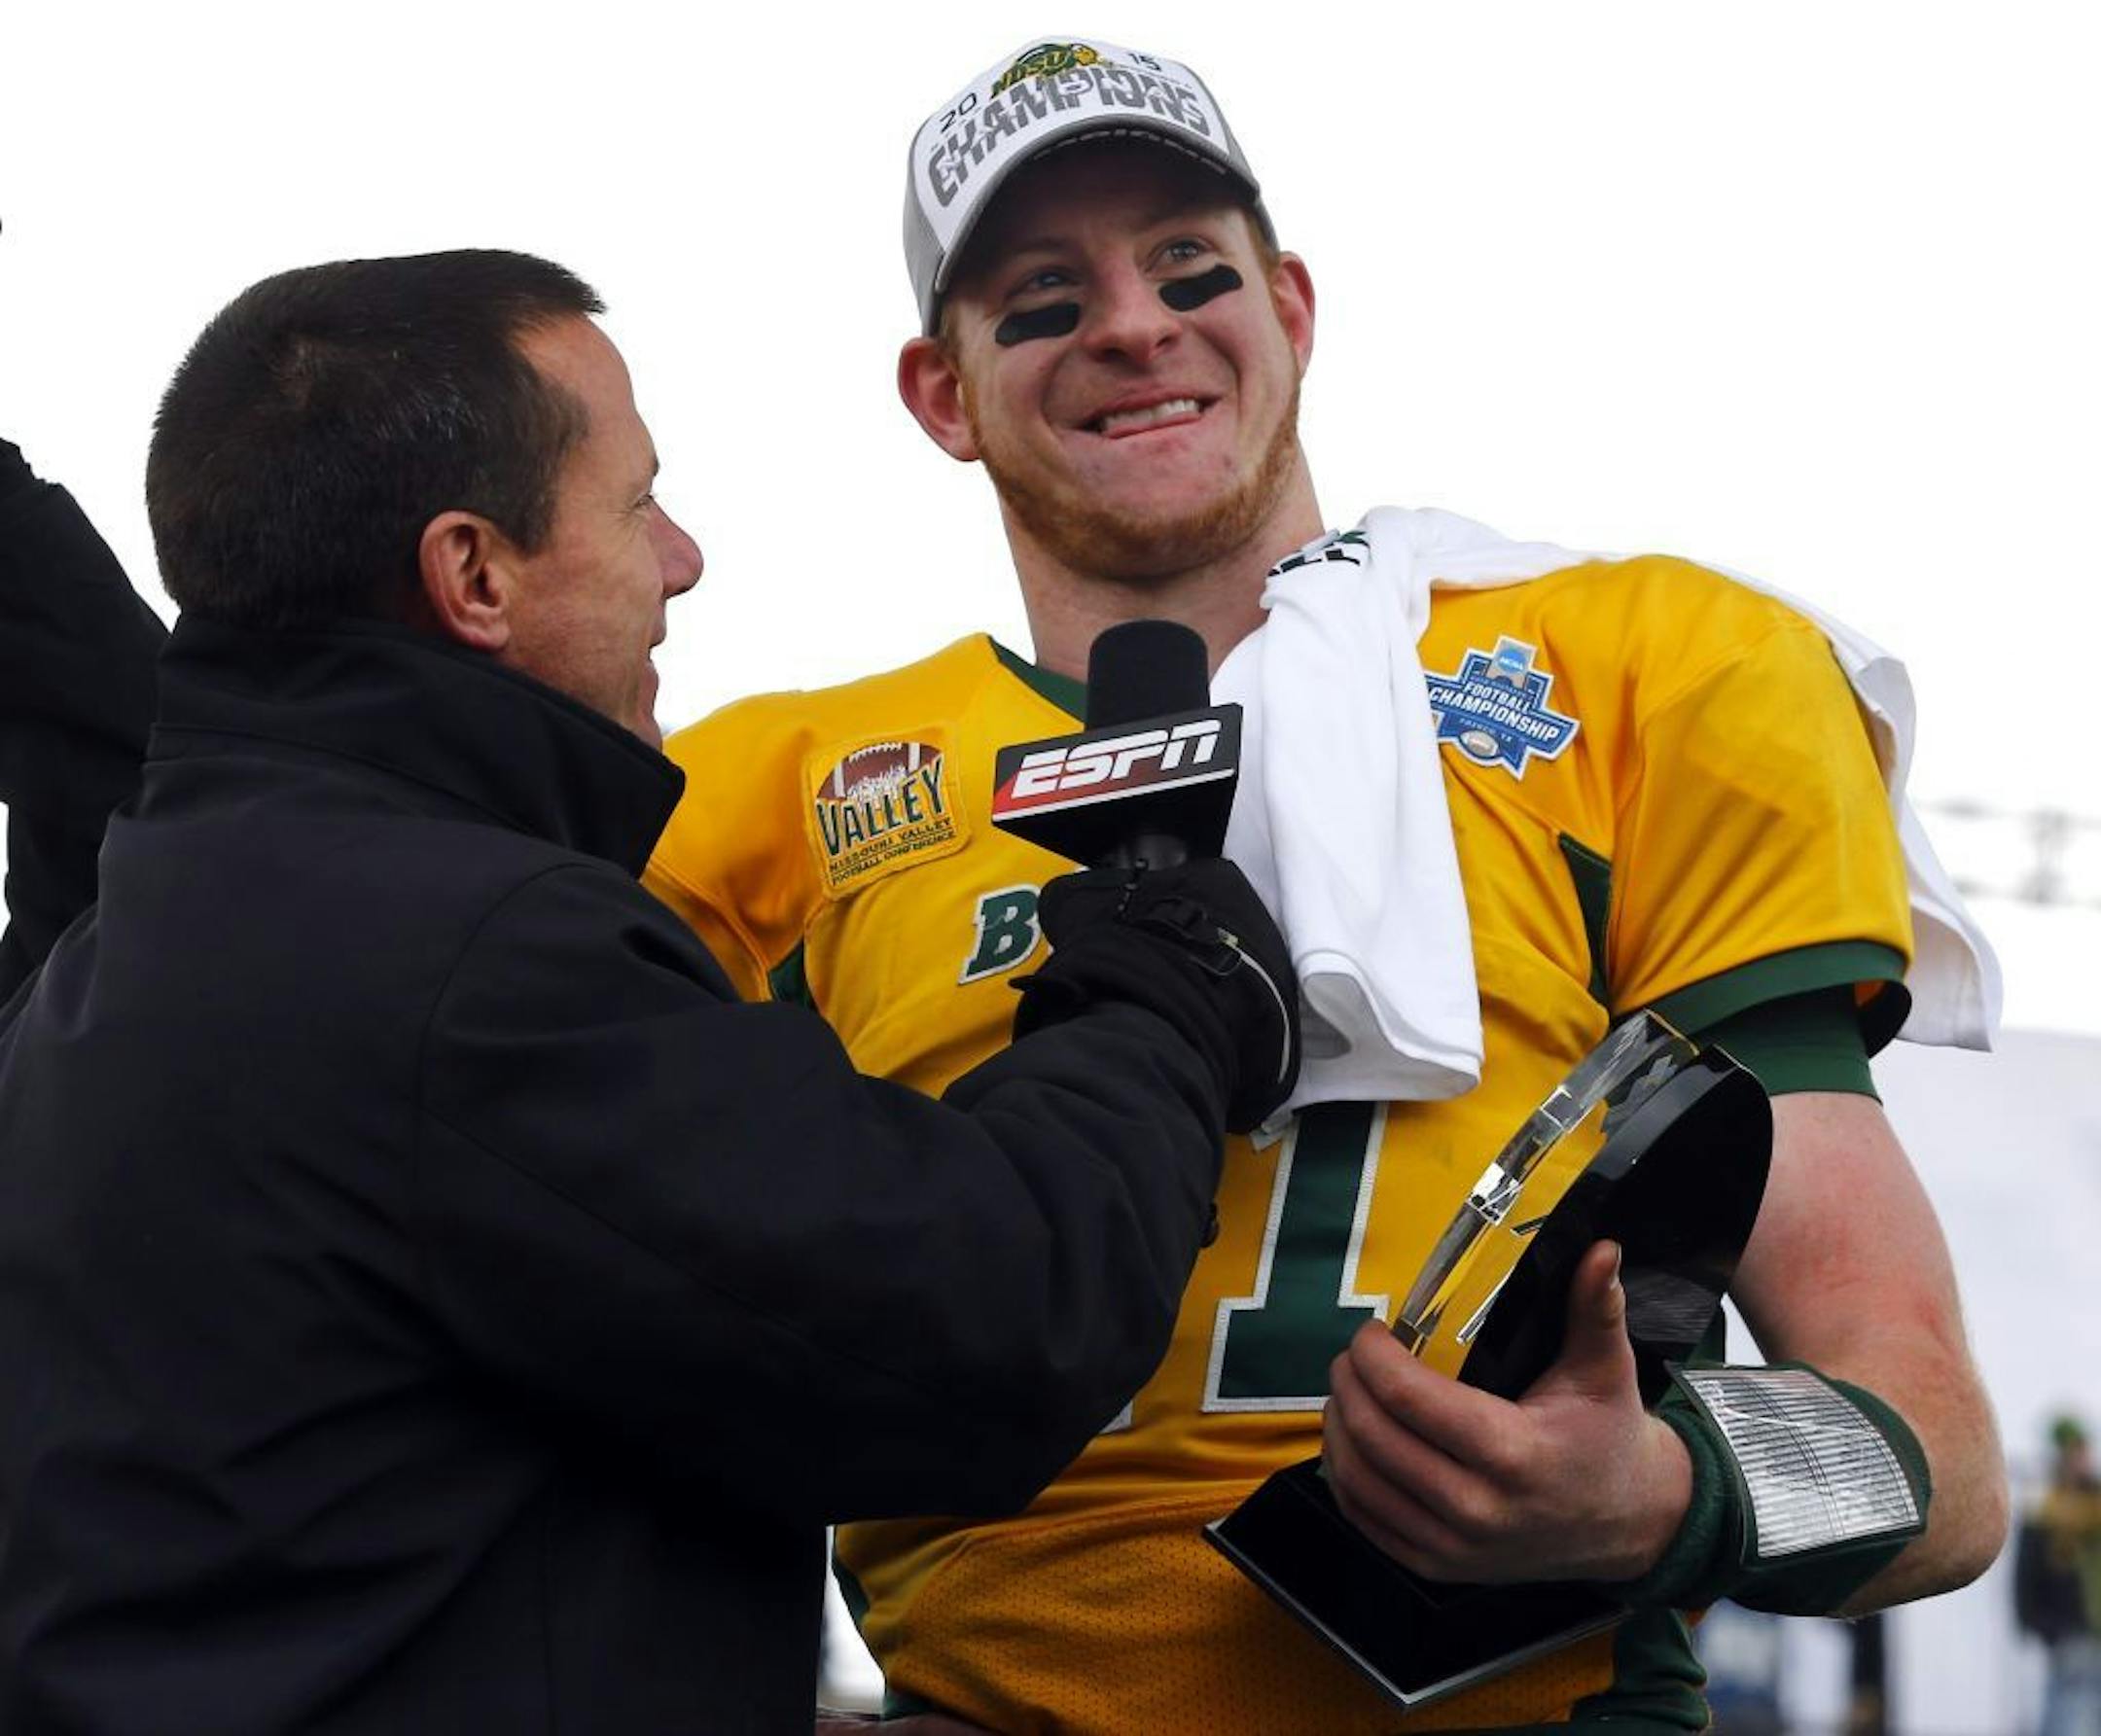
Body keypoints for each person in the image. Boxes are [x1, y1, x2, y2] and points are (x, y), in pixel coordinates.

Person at [640, 36, 2011, 1733]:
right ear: (943, 392)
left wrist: (1661, 1488)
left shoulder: (1642, 669)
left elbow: (1938, 1459)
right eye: (1044, 297)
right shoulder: (771, 792)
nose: (1134, 324)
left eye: (1189, 268)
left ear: (1290, 307)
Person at [0, 251, 1301, 1733]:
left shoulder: (130, 946)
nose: (682, 556)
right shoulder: (465, 963)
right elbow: (978, 1315)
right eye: (635, 504)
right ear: (473, 575)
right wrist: (1157, 995)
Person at [2016, 1417, 2101, 1736]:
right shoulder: (2045, 1510)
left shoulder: (2094, 1501)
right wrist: (2042, 1625)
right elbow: (2027, 1576)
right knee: (2071, 1713)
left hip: (2091, 1631)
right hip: (2071, 1633)